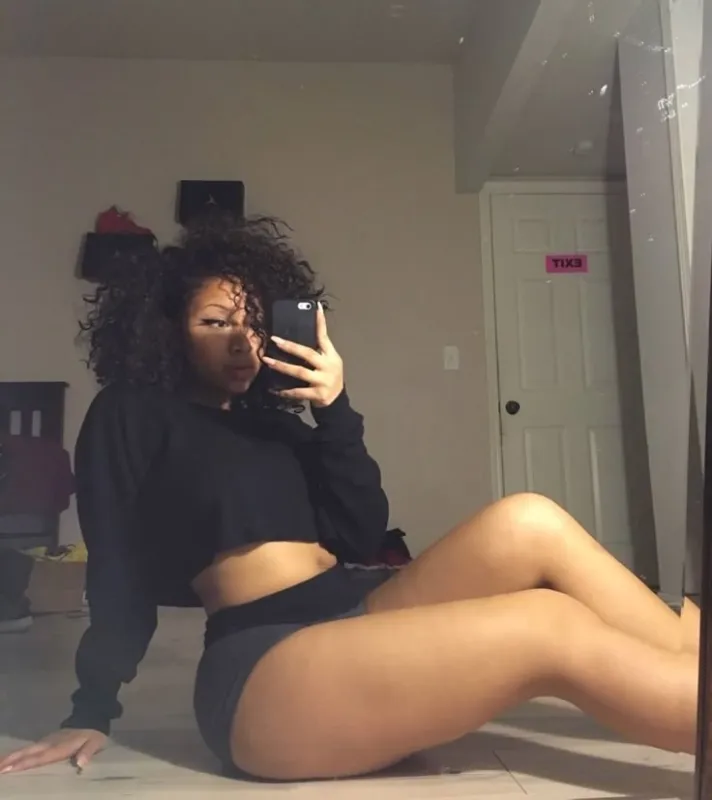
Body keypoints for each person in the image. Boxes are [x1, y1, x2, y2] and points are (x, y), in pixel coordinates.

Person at [0, 213, 701, 782]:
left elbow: (361, 531)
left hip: (354, 609)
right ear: (168, 331)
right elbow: (117, 567)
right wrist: (91, 707)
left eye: (252, 322)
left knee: (529, 520)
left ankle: (687, 659)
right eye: (214, 322)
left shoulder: (275, 423)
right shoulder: (133, 412)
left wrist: (333, 406)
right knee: (548, 622)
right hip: (266, 665)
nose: (242, 342)